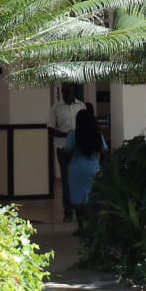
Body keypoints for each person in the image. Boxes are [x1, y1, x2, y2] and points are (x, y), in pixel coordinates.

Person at [48, 84, 85, 222]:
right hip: (63, 148)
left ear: (74, 91)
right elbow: (50, 129)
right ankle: (68, 212)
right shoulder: (56, 108)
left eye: (70, 91)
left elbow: (86, 124)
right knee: (66, 180)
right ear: (62, 92)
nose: (68, 94)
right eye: (65, 91)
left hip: (79, 148)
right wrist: (67, 135)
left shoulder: (81, 105)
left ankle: (81, 211)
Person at [64, 108, 106, 232]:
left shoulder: (73, 134)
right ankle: (93, 226)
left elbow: (67, 151)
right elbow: (104, 150)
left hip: (76, 169)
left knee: (77, 199)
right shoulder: (97, 134)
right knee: (93, 197)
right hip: (93, 168)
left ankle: (81, 227)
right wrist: (100, 164)